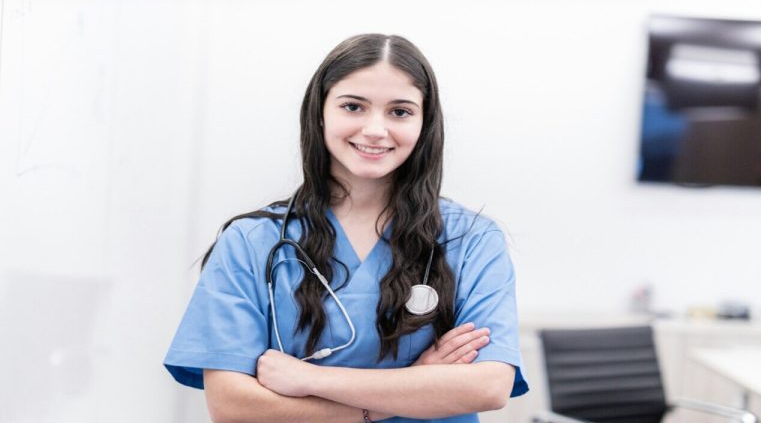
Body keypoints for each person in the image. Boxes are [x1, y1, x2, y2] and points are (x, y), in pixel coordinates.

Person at [164, 33, 528, 423]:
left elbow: (488, 387)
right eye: (353, 106)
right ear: (320, 112)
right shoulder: (250, 242)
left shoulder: (472, 240)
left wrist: (310, 379)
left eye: (400, 111)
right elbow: (232, 406)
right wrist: (415, 388)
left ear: (424, 123)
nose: (375, 129)